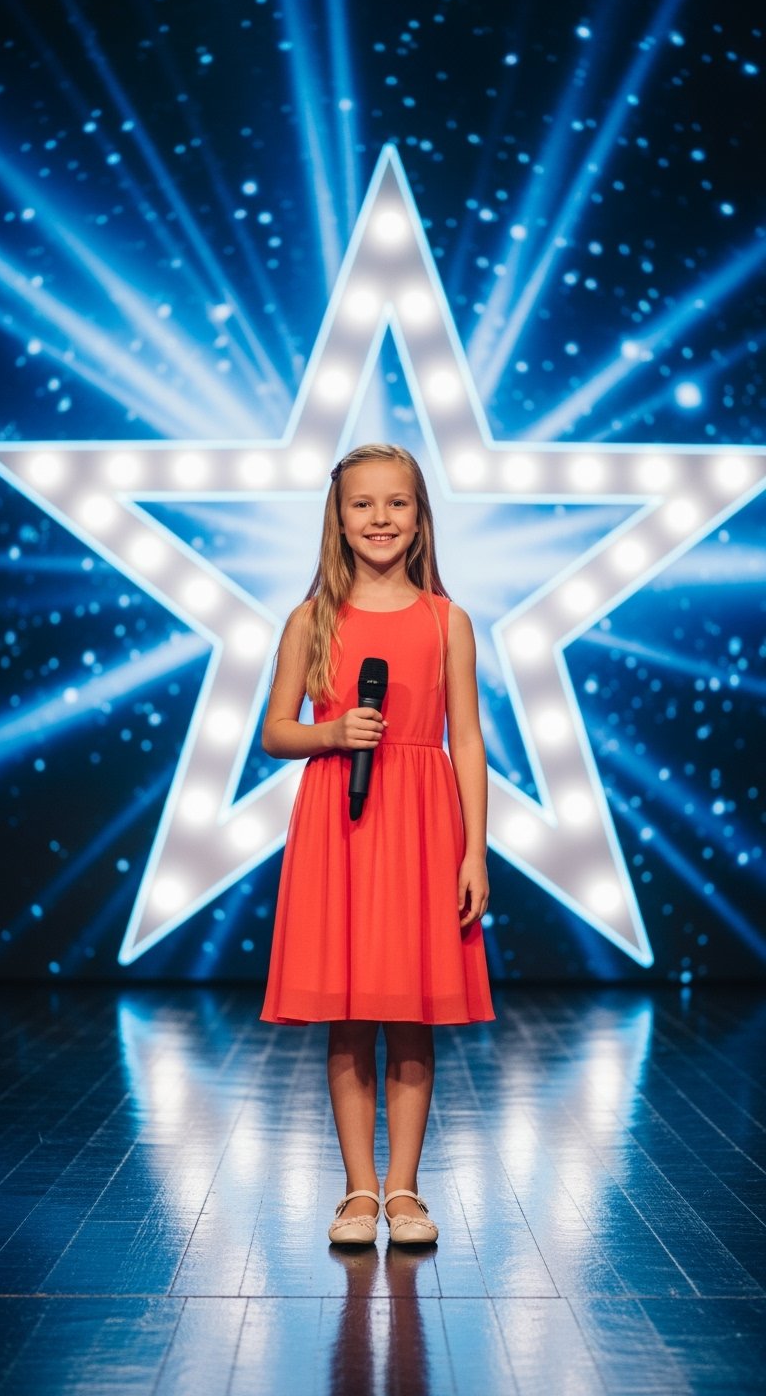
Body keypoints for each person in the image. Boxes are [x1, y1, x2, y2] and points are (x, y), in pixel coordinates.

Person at [260, 442, 495, 1246]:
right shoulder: (311, 619)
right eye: (362, 504)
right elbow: (276, 731)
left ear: (421, 518)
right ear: (338, 518)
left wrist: (474, 850)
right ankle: (358, 1192)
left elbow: (467, 738)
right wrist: (330, 733)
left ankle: (405, 1191)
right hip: (341, 826)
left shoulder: (446, 620)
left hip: (423, 827)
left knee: (412, 1009)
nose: (380, 518)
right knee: (351, 1011)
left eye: (397, 503)